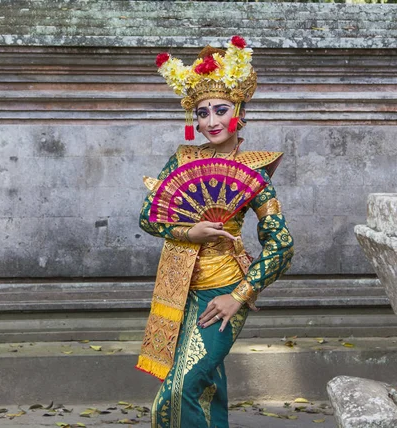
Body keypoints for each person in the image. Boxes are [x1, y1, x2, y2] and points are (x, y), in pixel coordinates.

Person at [136, 36, 294, 428]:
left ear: (238, 110)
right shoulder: (182, 159)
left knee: (182, 389)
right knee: (204, 389)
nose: (211, 122)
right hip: (176, 289)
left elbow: (282, 244)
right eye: (202, 113)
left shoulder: (255, 170)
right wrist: (189, 233)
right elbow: (147, 216)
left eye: (220, 110)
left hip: (220, 294)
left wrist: (239, 296)